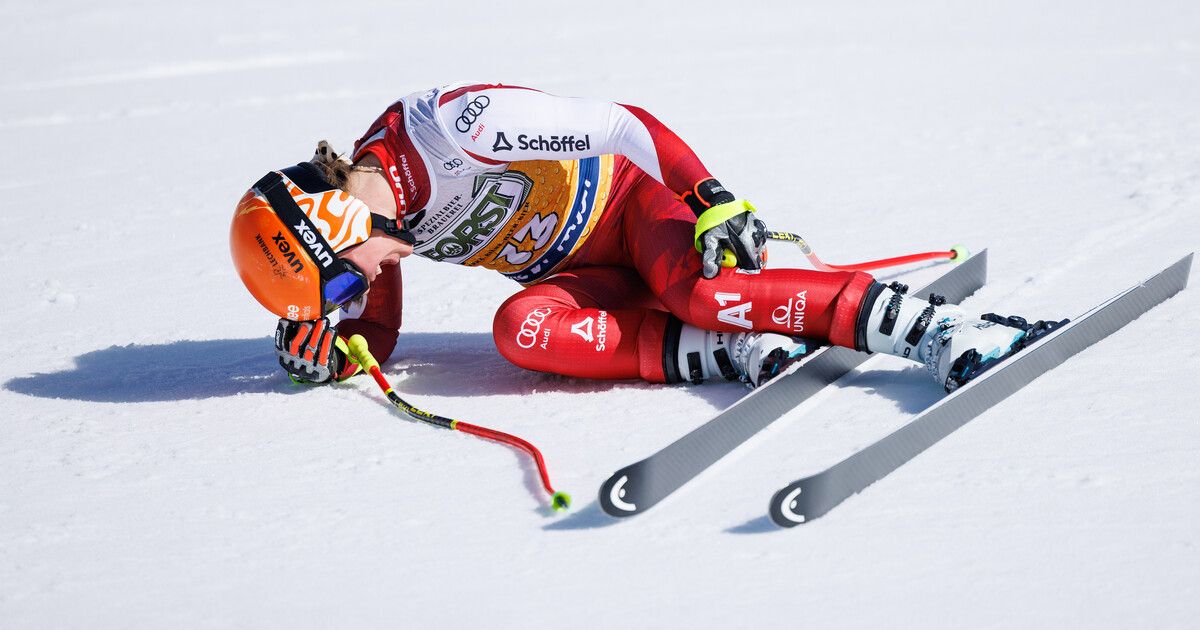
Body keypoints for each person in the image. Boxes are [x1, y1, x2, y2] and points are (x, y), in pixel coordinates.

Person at [230, 82, 1054, 393]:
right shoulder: (381, 222)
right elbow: (379, 330)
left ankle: (939, 329)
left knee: (698, 287)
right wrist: (336, 354)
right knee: (523, 331)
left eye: (338, 285)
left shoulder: (448, 128)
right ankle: (725, 348)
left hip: (633, 207)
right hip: (585, 272)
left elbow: (621, 123)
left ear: (334, 222)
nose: (353, 295)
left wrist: (708, 196)